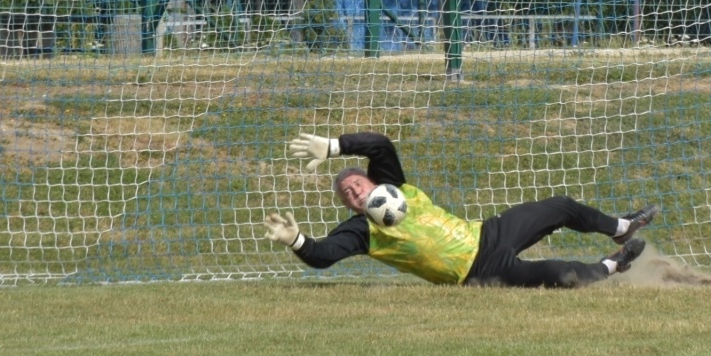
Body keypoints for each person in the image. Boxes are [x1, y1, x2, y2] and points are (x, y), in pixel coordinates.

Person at [263, 131, 659, 288]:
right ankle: (614, 264)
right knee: (564, 276)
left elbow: (380, 145)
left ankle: (621, 226)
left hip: (487, 234)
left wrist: (335, 147)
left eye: (357, 185)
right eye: (347, 194)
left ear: (373, 183)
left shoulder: (395, 187)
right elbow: (323, 256)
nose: (354, 194)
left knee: (560, 206)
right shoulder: (362, 232)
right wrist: (294, 240)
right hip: (478, 272)